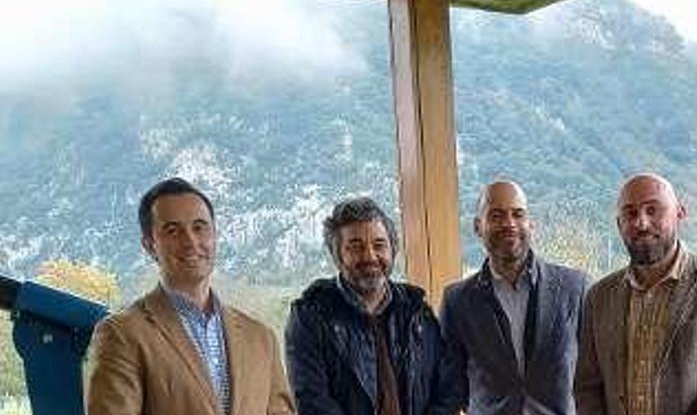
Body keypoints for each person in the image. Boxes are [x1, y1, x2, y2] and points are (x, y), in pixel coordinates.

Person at [86, 177, 295, 415]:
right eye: (172, 231)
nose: (190, 241)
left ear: (214, 235)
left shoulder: (261, 338)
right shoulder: (121, 334)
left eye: (199, 227)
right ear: (150, 245)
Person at [574, 173, 697, 415]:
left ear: (680, 213)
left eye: (653, 210)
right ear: (619, 224)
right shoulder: (599, 297)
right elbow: (587, 386)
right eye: (630, 213)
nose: (641, 223)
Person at [285, 196, 462, 415]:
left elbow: (450, 388)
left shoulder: (417, 311)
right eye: (355, 246)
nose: (370, 256)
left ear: (392, 251)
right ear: (337, 255)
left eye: (379, 245)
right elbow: (312, 401)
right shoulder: (310, 315)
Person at [440, 181, 590, 415]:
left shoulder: (575, 288)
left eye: (517, 214)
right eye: (496, 215)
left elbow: (594, 376)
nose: (509, 224)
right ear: (478, 226)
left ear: (531, 224)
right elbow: (452, 386)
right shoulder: (457, 301)